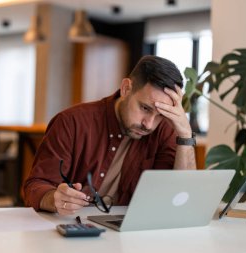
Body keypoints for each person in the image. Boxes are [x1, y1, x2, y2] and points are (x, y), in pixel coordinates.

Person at [24, 55, 196, 215]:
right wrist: (55, 199)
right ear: (126, 88)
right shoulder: (71, 122)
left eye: (160, 115)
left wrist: (186, 134)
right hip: (73, 230)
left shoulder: (163, 131)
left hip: (130, 235)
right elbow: (35, 186)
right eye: (145, 108)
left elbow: (182, 199)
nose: (149, 124)